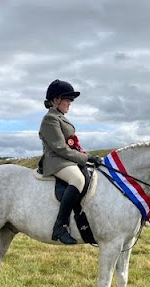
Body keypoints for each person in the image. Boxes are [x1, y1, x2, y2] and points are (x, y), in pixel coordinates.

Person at [39, 79, 101, 245]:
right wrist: (86, 158)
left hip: (66, 159)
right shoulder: (50, 119)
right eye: (67, 100)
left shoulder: (60, 117)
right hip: (56, 161)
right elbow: (60, 148)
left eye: (70, 101)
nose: (70, 104)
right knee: (78, 179)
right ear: (56, 100)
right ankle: (60, 226)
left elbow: (72, 145)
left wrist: (87, 156)